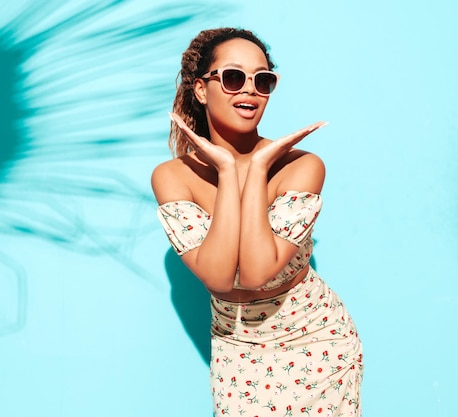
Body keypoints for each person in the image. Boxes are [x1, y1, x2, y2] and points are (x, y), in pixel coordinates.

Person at [151, 28, 363, 416]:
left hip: (316, 342)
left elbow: (256, 273)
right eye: (233, 77)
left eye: (262, 80)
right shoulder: (172, 176)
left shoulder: (301, 165)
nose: (249, 90)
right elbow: (218, 278)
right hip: (237, 346)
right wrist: (230, 171)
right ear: (201, 89)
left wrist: (261, 164)